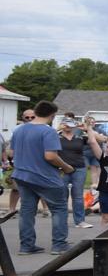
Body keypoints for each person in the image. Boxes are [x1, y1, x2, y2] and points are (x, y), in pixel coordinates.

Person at [9, 102, 78, 254]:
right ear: (52, 115)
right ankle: (59, 245)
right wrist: (66, 167)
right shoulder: (48, 132)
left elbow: (11, 153)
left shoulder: (19, 130)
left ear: (36, 111)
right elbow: (51, 156)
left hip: (21, 175)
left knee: (27, 211)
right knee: (59, 208)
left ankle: (26, 246)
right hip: (44, 176)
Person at [57, 116, 92, 228]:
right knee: (62, 195)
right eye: (65, 123)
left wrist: (87, 128)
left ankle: (80, 221)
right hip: (62, 168)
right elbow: (43, 139)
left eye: (70, 123)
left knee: (77, 195)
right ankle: (62, 221)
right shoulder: (55, 136)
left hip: (79, 168)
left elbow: (94, 140)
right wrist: (58, 128)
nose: (67, 126)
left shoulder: (80, 137)